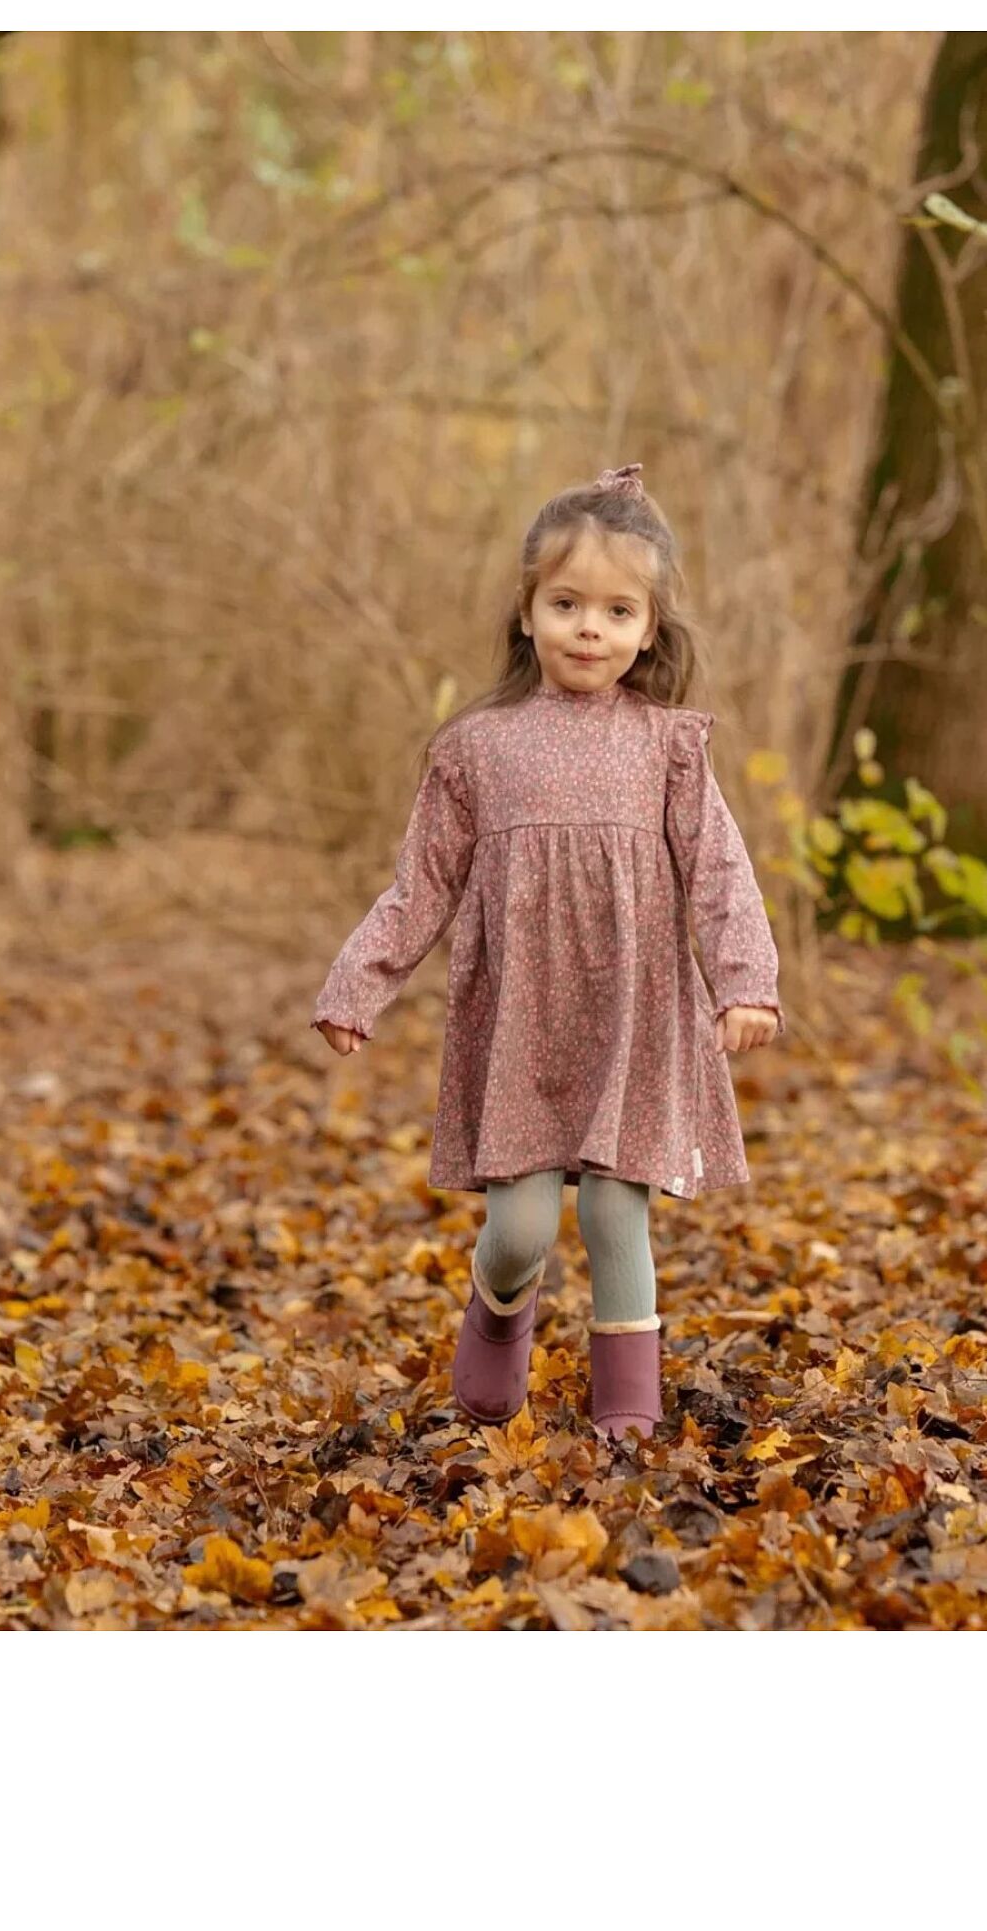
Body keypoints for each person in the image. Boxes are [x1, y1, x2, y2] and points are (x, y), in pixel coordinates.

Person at [311, 461, 785, 1442]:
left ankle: (628, 1411)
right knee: (522, 1225)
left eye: (616, 611)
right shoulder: (477, 748)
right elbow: (423, 883)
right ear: (525, 612)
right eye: (565, 603)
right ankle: (496, 1308)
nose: (588, 628)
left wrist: (746, 982)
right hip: (521, 1012)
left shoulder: (669, 746)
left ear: (648, 629)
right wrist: (360, 981)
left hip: (636, 1012)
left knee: (617, 1215)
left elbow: (720, 871)